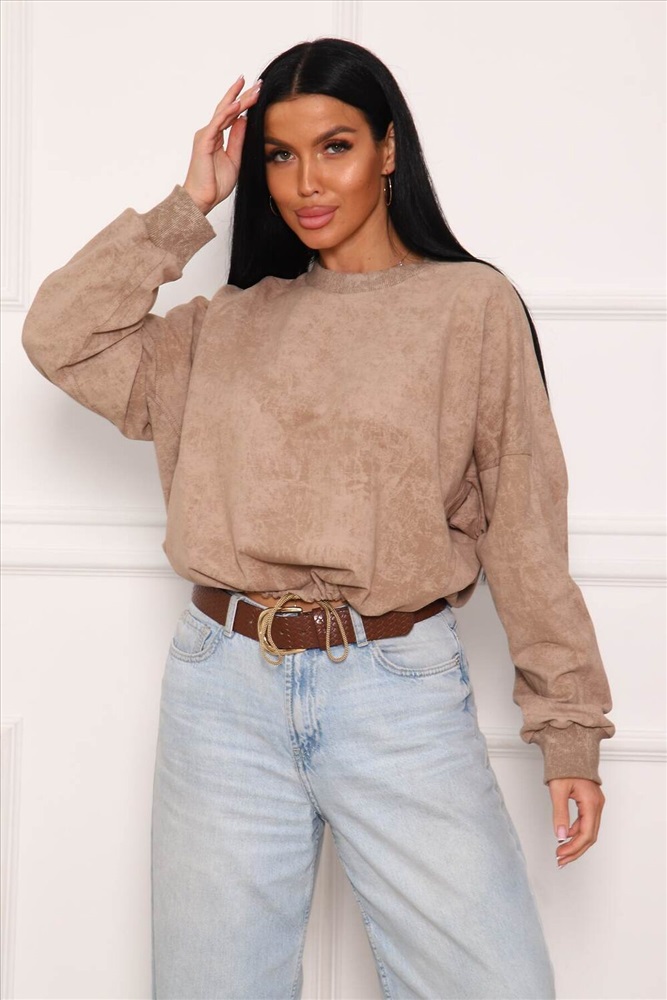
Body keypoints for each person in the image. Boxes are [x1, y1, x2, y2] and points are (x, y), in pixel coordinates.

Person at [22, 36, 615, 1000]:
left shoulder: (469, 307)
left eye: (334, 146)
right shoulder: (226, 324)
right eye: (280, 154)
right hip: (221, 691)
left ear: (387, 149)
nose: (306, 181)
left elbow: (524, 529)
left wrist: (569, 729)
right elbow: (58, 335)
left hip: (394, 689)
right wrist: (187, 206)